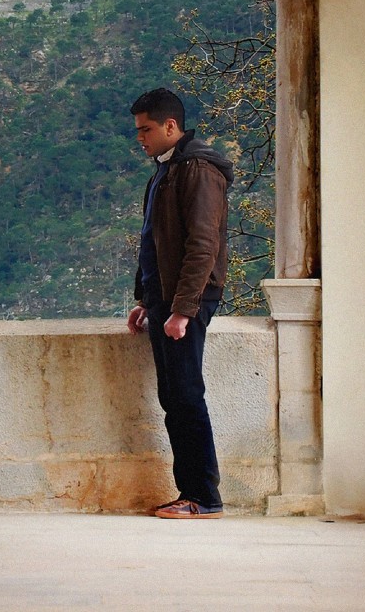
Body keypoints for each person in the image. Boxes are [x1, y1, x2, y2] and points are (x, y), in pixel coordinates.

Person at [127, 88, 234, 519]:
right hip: (166, 301)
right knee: (174, 396)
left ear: (171, 126)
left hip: (186, 302)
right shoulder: (165, 170)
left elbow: (203, 245)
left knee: (187, 395)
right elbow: (153, 240)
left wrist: (183, 309)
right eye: (138, 131)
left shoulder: (198, 170)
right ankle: (190, 492)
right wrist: (146, 300)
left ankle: (203, 497)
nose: (141, 138)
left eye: (147, 129)